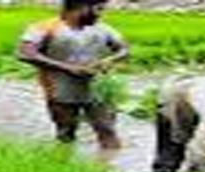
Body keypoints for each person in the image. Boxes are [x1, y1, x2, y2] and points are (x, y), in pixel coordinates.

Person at [17, 0, 130, 150]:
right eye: (98, 9)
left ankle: (109, 166)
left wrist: (109, 60)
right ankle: (65, 167)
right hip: (60, 90)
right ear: (81, 7)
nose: (100, 14)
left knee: (107, 130)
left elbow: (124, 49)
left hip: (98, 88)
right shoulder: (44, 27)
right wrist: (68, 68)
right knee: (66, 133)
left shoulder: (103, 28)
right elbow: (25, 53)